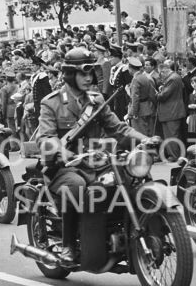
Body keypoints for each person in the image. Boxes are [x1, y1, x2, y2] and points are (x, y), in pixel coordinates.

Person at [34, 46, 155, 264]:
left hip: (95, 162)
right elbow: (45, 138)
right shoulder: (51, 103)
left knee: (132, 176)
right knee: (77, 186)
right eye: (83, 73)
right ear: (70, 74)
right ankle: (68, 245)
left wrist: (144, 139)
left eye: (90, 72)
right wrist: (59, 149)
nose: (88, 77)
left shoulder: (96, 100)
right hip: (64, 167)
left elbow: (119, 128)